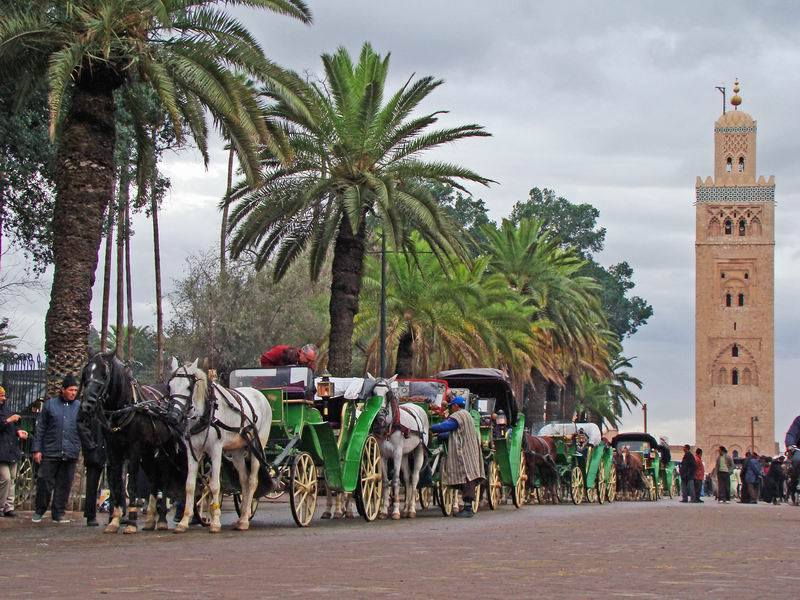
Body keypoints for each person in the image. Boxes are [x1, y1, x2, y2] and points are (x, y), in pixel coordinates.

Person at [31, 375, 82, 523]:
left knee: (64, 485)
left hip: (70, 452)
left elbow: (83, 428)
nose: (73, 393)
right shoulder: (50, 405)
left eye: (75, 390)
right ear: (63, 390)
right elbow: (40, 428)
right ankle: (39, 511)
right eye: (71, 390)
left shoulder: (78, 407)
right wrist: (37, 449)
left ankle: (58, 513)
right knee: (44, 482)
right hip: (50, 451)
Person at [430, 395, 485, 518]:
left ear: (455, 406)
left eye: (451, 407)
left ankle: (467, 509)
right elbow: (454, 432)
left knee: (467, 477)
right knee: (468, 477)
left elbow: (446, 427)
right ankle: (466, 507)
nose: (451, 409)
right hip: (470, 451)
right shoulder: (467, 415)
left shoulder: (458, 416)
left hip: (465, 453)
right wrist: (442, 435)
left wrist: (431, 428)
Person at [0, 385, 29, 517]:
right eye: (1, 396)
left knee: (12, 479)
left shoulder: (6, 410)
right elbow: (4, 424)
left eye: (4, 396)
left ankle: (8, 507)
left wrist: (18, 432)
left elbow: (12, 428)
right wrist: (8, 421)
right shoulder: (6, 414)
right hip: (2, 452)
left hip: (11, 450)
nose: (3, 398)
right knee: (5, 478)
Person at [77, 408, 106, 526]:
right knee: (92, 483)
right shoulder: (89, 405)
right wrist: (90, 444)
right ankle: (90, 514)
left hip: (109, 447)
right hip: (95, 447)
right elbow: (81, 424)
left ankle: (117, 513)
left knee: (116, 480)